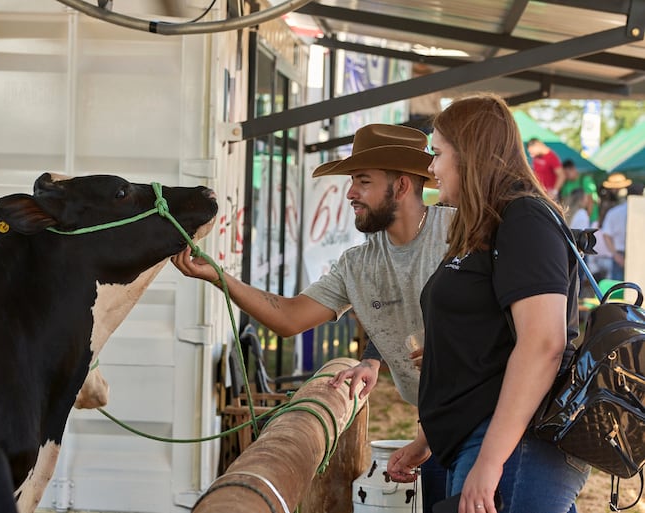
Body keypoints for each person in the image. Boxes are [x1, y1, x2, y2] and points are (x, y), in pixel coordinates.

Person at [171, 123, 455, 513]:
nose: (350, 193)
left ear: (402, 186)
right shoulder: (358, 264)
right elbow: (288, 318)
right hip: (441, 430)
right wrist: (219, 277)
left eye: (363, 181)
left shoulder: (461, 233)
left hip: (501, 425)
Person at [388, 94, 588, 513]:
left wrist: (490, 461)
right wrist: (428, 438)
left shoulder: (525, 218)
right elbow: (492, 341)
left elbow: (543, 343)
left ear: (470, 153)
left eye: (438, 154)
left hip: (514, 445)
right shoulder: (485, 224)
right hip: (471, 439)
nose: (431, 168)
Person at [599, 172, 634, 280]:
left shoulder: (613, 211)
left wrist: (615, 255)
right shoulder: (613, 211)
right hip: (621, 253)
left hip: (620, 254)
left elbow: (606, 234)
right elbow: (606, 234)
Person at [559, 158, 599, 224]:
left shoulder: (585, 180)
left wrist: (587, 219)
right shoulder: (566, 184)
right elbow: (564, 202)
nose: (566, 176)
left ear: (573, 169)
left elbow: (590, 201)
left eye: (567, 173)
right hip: (574, 219)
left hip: (590, 219)